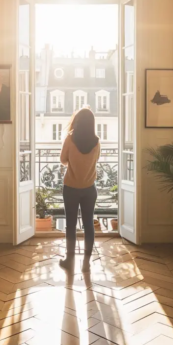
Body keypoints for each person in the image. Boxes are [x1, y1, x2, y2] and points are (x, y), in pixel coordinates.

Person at [59, 108, 100, 272]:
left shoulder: (70, 139)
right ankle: (86, 262)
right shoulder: (96, 141)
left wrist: (73, 161)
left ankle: (70, 261)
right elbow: (96, 159)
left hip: (71, 188)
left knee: (71, 224)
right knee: (88, 224)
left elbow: (63, 159)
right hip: (89, 188)